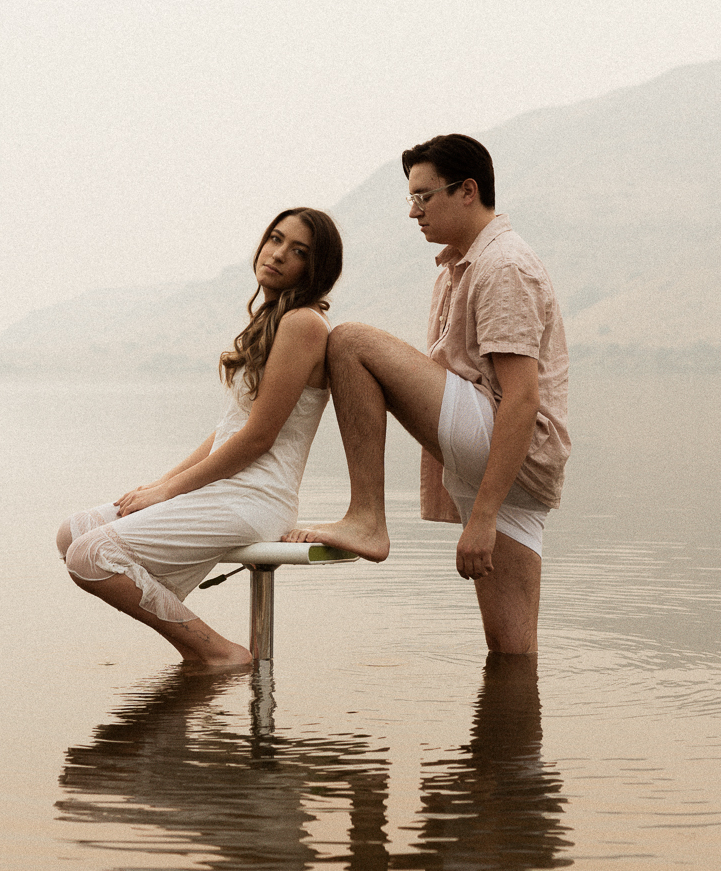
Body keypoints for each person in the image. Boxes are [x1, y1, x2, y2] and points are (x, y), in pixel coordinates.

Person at [287, 134, 570, 655]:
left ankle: (367, 518)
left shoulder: (503, 264)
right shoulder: (456, 266)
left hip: (508, 443)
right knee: (512, 653)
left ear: (467, 191)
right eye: (410, 198)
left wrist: (481, 520)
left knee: (348, 342)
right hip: (504, 461)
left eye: (424, 196)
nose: (414, 212)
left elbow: (523, 399)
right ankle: (512, 736)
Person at [56, 209, 342, 669]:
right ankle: (168, 601)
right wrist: (160, 484)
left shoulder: (303, 324)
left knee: (91, 556)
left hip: (255, 498)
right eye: (275, 238)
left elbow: (257, 439)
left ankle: (217, 654)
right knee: (74, 532)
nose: (278, 254)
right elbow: (228, 430)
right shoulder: (273, 322)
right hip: (227, 490)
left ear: (316, 269)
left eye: (299, 251)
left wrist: (169, 492)